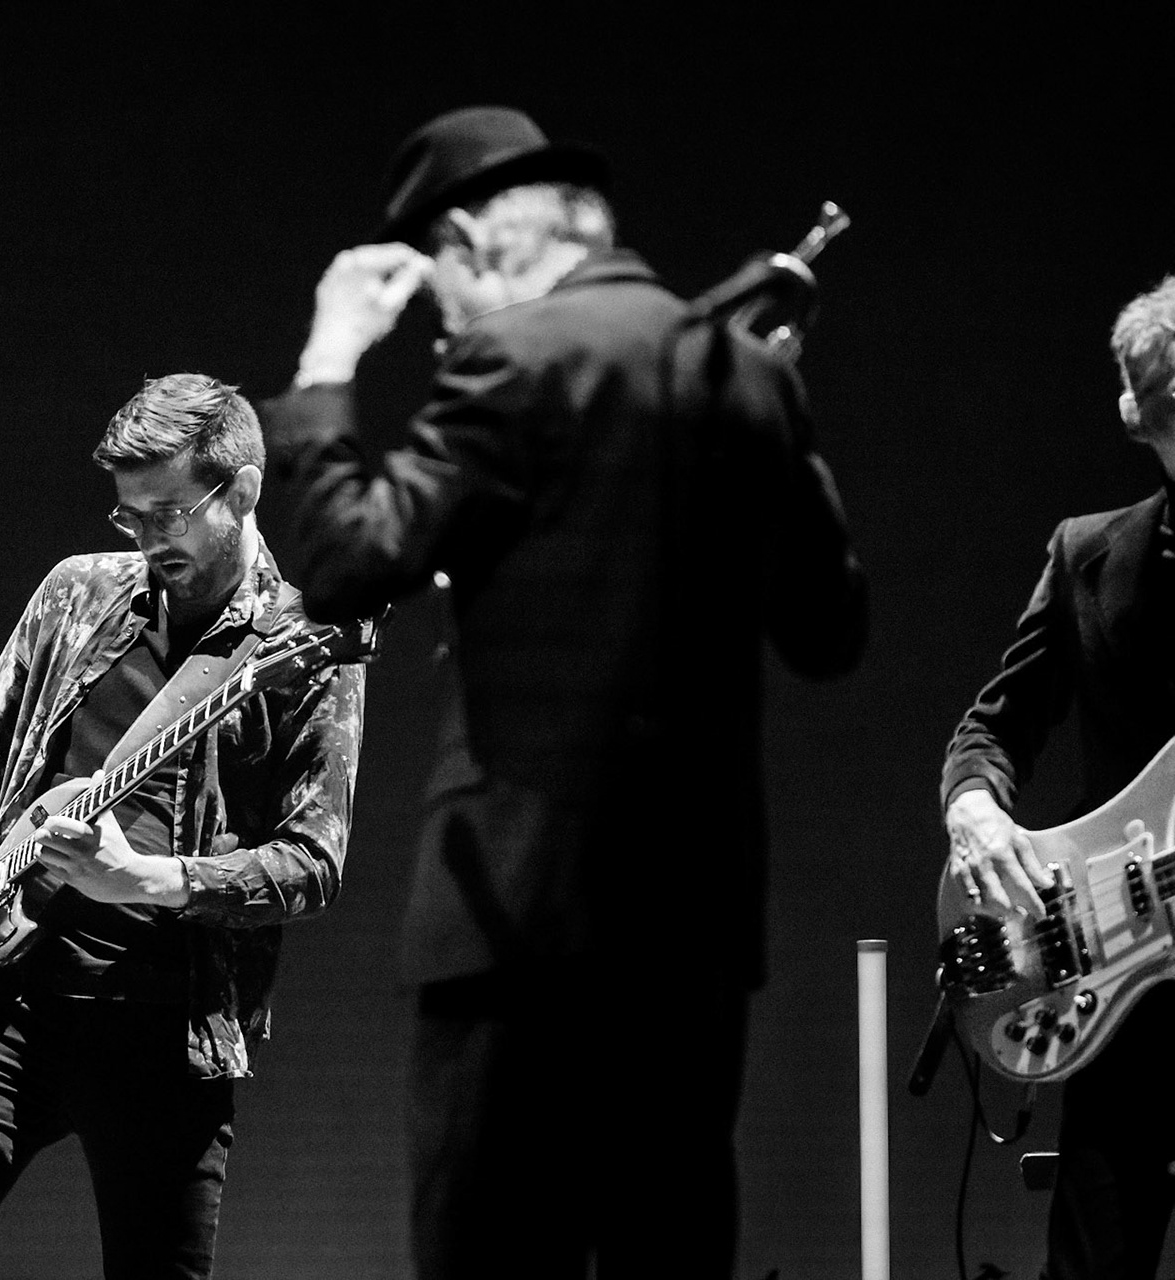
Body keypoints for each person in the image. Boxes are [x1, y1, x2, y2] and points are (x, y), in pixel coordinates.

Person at [258, 105, 868, 1277]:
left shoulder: (514, 354)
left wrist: (330, 361)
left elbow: (341, 566)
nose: (446, 319)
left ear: (473, 239)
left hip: (513, 923)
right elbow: (830, 631)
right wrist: (773, 414)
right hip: (693, 931)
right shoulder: (745, 372)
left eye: (440, 290)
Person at [0, 372, 366, 1279]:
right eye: (129, 515)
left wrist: (146, 881)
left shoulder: (300, 640)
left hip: (162, 1029)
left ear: (242, 490)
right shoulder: (76, 594)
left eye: (167, 512)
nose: (145, 537)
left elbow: (313, 862)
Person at [941, 275, 1174, 1280]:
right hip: (1124, 989)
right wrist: (975, 810)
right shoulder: (1090, 553)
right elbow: (993, 726)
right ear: (1134, 414)